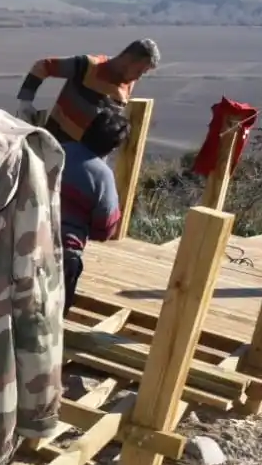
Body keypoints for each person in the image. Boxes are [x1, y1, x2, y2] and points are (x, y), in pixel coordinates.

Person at [15, 38, 159, 146]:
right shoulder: (88, 66)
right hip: (56, 146)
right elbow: (43, 66)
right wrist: (25, 102)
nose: (139, 77)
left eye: (144, 73)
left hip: (90, 155)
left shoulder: (128, 83)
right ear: (127, 59)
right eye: (140, 70)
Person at [58, 102, 130, 310]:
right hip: (63, 254)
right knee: (51, 321)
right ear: (114, 146)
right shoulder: (101, 176)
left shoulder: (54, 152)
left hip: (22, 242)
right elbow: (105, 227)